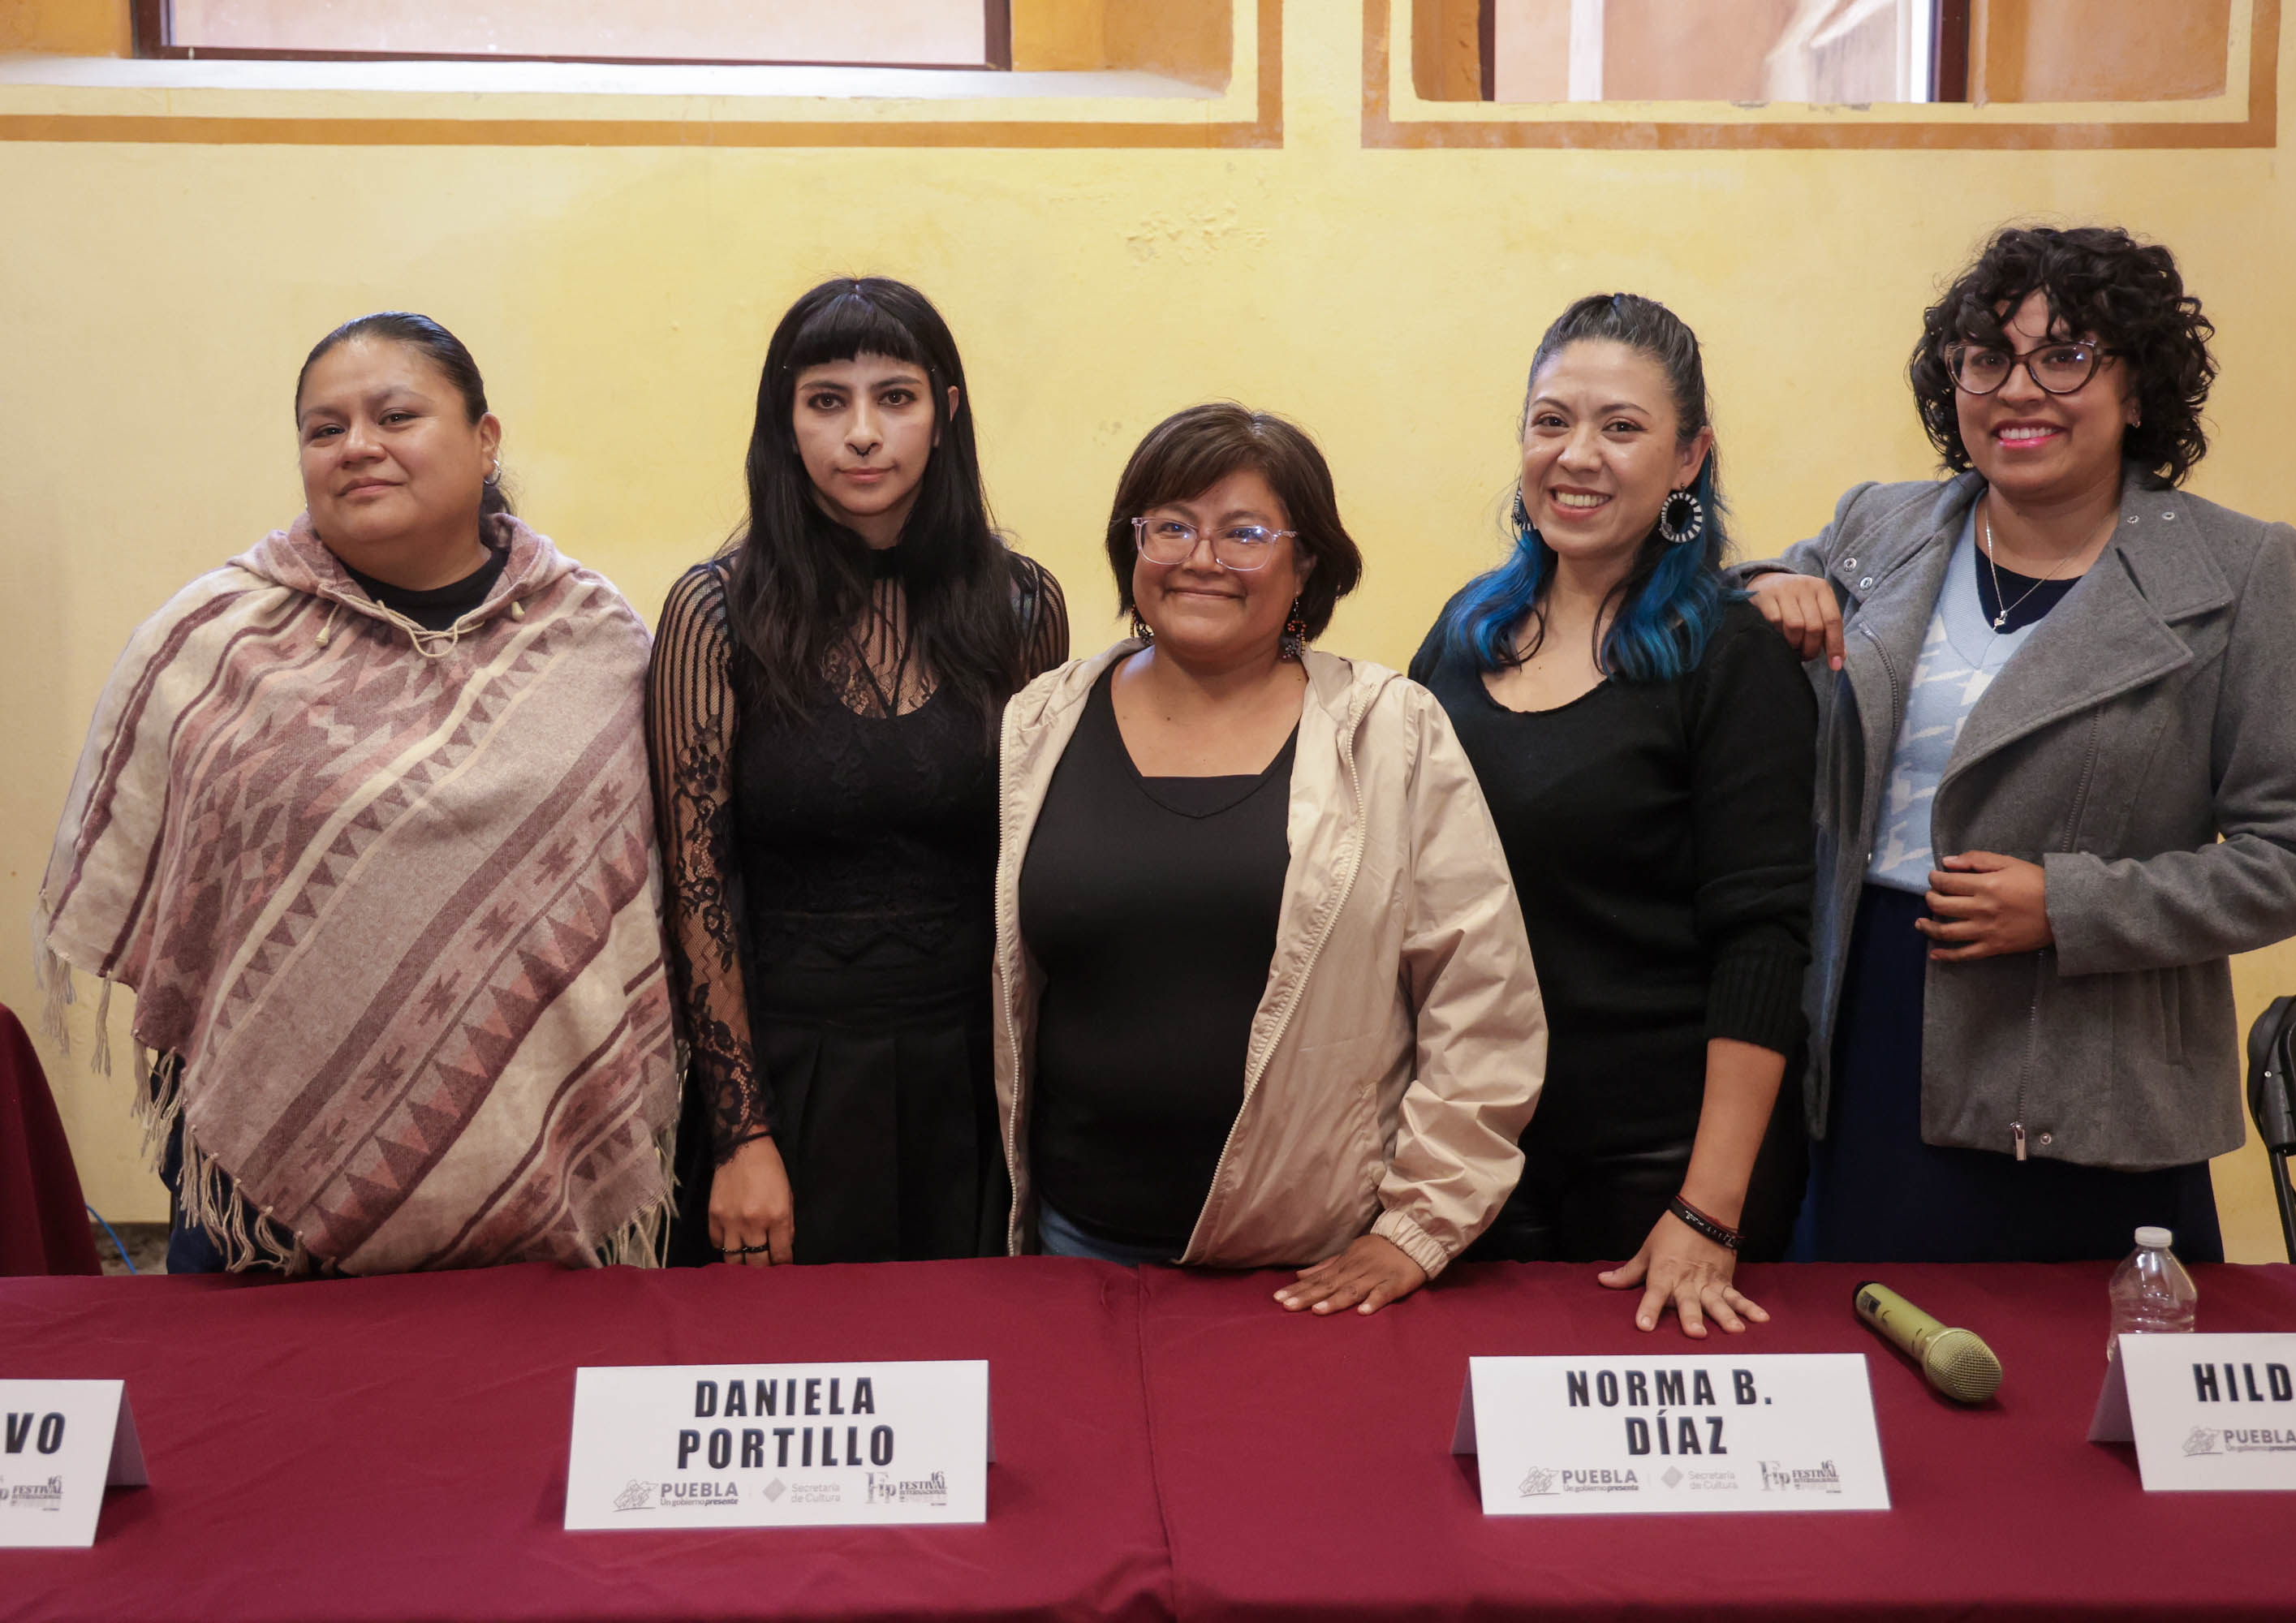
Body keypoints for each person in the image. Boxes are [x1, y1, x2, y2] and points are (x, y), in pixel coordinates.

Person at [1742, 226, 2296, 1263]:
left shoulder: (2242, 569)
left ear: (2140, 389)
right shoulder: (1882, 526)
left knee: (2077, 1397)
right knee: (1875, 1374)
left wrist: (2069, 905)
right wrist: (1763, 586)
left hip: (2088, 1069)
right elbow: (1734, 603)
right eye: (1988, 357)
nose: (2018, 389)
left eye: (2064, 356)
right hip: (1864, 1029)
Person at [36, 312, 678, 1275]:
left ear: (485, 438)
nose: (358, 447)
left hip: (546, 1181)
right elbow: (177, 908)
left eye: (395, 415)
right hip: (261, 1198)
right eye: (324, 428)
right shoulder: (214, 642)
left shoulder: (592, 639)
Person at [996, 403, 1544, 1316]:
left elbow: (1481, 999)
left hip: (1310, 1266)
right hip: (1076, 1240)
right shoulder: (1043, 720)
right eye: (1171, 525)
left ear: (1307, 564)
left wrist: (1417, 1227)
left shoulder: (1389, 731)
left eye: (1244, 532)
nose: (1201, 558)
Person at [1411, 294, 1816, 1338]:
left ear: (1689, 458)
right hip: (1475, 1152)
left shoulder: (1732, 655)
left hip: (1660, 1170)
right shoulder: (1464, 632)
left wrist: (1705, 1206)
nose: (1577, 454)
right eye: (1552, 421)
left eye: (1620, 427)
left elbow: (1763, 945)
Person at [648, 278, 1067, 1269]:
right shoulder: (715, 613)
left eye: (896, 396)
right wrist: (742, 1133)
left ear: (946, 411)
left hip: (974, 1077)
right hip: (787, 1074)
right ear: (785, 422)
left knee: (986, 1386)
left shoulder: (1020, 608)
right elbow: (696, 888)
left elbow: (1041, 872)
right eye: (827, 400)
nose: (863, 433)